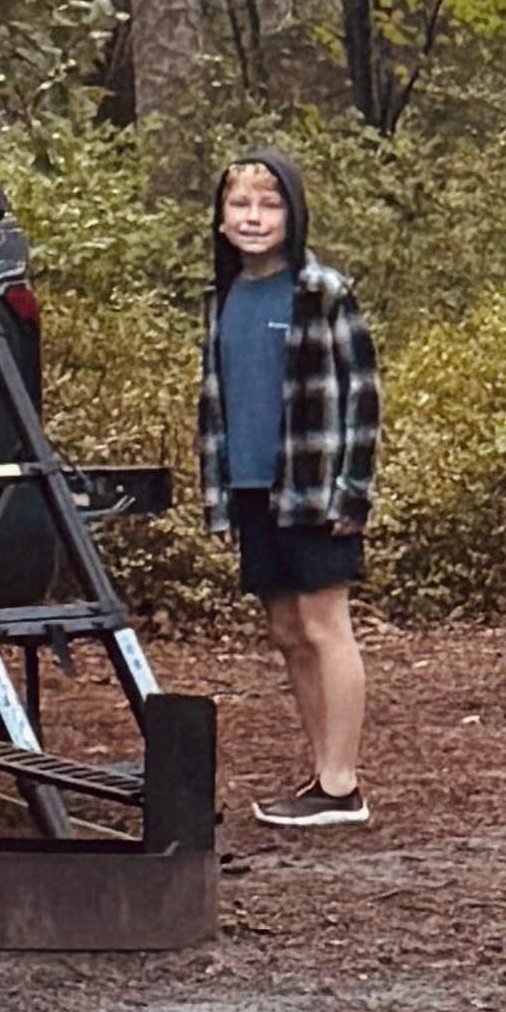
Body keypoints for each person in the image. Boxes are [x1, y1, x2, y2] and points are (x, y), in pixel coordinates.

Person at [201, 149, 382, 830]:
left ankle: (342, 783)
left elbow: (362, 397)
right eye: (240, 205)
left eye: (268, 204)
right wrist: (217, 497)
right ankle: (319, 771)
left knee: (322, 623)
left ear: (293, 213)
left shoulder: (322, 292)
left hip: (314, 487)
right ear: (220, 219)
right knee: (283, 629)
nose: (253, 217)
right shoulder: (219, 298)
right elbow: (213, 407)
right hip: (252, 488)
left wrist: (351, 490)